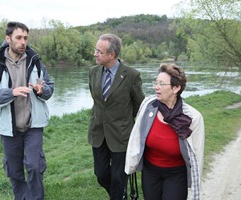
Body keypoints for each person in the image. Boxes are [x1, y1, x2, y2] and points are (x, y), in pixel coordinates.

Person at [0, 21, 54, 200]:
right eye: (19, 38)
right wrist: (11, 93)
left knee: (34, 166)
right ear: (8, 39)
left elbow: (49, 88)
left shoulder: (35, 62)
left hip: (33, 126)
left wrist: (41, 91)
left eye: (26, 38)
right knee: (14, 172)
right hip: (9, 129)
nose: (23, 42)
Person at [125, 63, 205, 200]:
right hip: (150, 172)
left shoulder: (192, 117)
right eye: (156, 82)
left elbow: (196, 156)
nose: (156, 87)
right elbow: (136, 136)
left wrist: (195, 190)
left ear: (176, 88)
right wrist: (131, 164)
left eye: (162, 84)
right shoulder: (148, 105)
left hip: (176, 174)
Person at [88, 33, 145, 200]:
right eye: (95, 50)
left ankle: (118, 196)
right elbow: (97, 101)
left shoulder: (131, 75)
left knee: (119, 178)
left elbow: (139, 105)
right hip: (98, 133)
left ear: (111, 55)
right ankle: (120, 195)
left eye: (99, 51)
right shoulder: (93, 72)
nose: (95, 54)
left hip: (121, 135)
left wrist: (126, 123)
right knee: (101, 174)